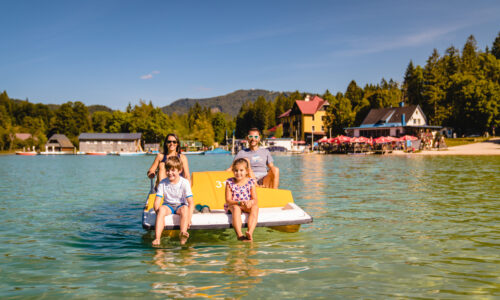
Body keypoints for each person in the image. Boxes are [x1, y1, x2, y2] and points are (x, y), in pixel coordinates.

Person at [152, 156, 194, 246]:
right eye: (167, 170)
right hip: (168, 205)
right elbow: (157, 202)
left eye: (173, 170)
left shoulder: (184, 182)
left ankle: (183, 234)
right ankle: (157, 238)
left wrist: (189, 218)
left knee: (185, 209)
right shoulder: (163, 183)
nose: (170, 173)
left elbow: (191, 202)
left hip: (180, 205)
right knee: (161, 209)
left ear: (179, 170)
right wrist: (159, 214)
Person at [225, 158, 259, 241]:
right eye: (236, 170)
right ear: (233, 171)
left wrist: (251, 202)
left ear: (247, 171)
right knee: (236, 209)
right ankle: (239, 235)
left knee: (255, 208)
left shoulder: (251, 182)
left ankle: (250, 232)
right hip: (234, 205)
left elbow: (255, 199)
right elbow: (228, 200)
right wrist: (239, 203)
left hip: (246, 205)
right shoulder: (229, 182)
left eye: (241, 170)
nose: (238, 173)